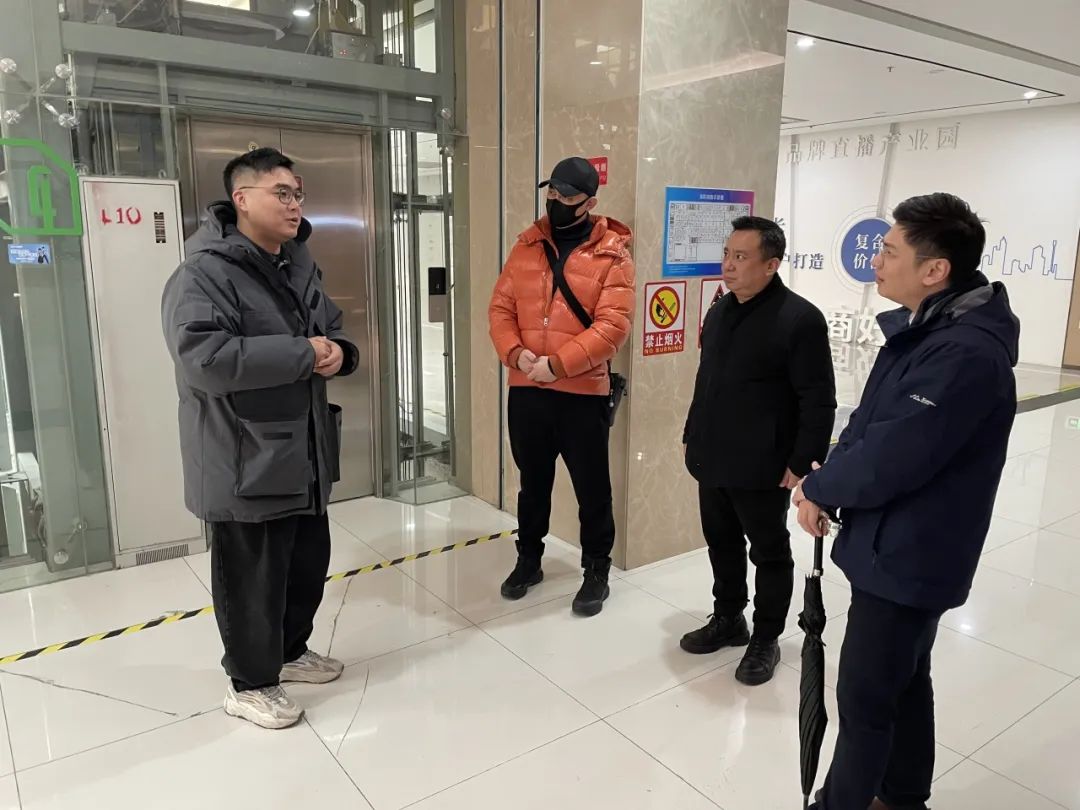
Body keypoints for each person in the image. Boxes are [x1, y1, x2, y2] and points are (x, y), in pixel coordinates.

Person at [796, 193, 1019, 810]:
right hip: (893, 544)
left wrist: (818, 487)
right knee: (905, 679)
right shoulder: (926, 331)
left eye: (890, 251)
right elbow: (870, 425)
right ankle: (901, 796)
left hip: (912, 554)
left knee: (865, 698)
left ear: (934, 269)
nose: (877, 261)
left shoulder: (964, 352)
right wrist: (829, 477)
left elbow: (895, 455)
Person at [161, 148, 359, 729]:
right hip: (244, 456)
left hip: (303, 452)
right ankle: (249, 683)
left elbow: (332, 328)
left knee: (305, 564)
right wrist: (304, 354)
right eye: (282, 193)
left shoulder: (296, 264)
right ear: (242, 198)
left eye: (299, 194)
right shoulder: (203, 273)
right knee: (252, 578)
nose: (295, 205)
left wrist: (340, 353)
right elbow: (204, 357)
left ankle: (290, 651)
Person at [680, 216, 835, 686]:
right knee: (721, 542)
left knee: (768, 553)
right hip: (712, 454)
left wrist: (803, 463)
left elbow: (818, 399)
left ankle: (766, 637)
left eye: (741, 257)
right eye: (727, 254)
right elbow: (708, 380)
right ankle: (729, 617)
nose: (728, 265)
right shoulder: (720, 310)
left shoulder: (800, 319)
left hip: (764, 463)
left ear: (771, 264)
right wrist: (693, 433)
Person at [488, 156, 635, 617]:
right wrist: (516, 354)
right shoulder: (526, 246)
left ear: (589, 202)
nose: (555, 201)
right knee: (532, 483)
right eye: (551, 193)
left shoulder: (613, 255)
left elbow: (613, 327)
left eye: (566, 196)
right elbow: (500, 309)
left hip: (581, 395)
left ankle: (596, 570)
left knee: (592, 488)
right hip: (527, 389)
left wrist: (558, 365)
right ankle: (528, 559)